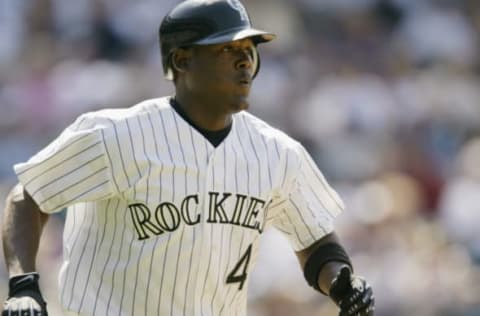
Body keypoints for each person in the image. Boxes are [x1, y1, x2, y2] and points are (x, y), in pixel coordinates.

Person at [1, 0, 375, 315]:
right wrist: (23, 284)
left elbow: (318, 244)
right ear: (182, 61)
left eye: (250, 49)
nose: (246, 61)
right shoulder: (116, 135)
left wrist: (342, 283)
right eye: (228, 49)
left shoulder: (276, 152)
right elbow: (28, 197)